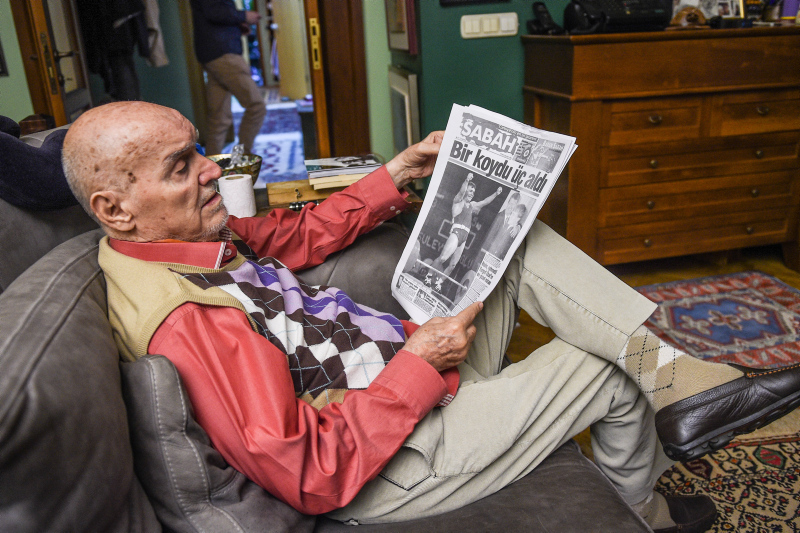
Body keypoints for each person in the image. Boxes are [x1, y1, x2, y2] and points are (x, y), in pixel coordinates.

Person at [62, 101, 800, 533]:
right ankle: (649, 512)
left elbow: (296, 234)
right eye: (180, 166)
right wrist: (418, 367)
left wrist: (395, 174)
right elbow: (310, 471)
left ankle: (684, 384)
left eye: (198, 150)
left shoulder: (184, 242)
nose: (211, 169)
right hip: (388, 457)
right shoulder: (191, 320)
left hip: (404, 370)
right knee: (600, 367)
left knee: (513, 237)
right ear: (114, 207)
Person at [189, 0, 266, 156]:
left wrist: (237, 26)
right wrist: (244, 15)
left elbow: (214, 13)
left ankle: (212, 166)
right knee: (256, 107)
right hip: (224, 53)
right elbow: (214, 12)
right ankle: (241, 159)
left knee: (219, 119)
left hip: (212, 54)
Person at [431, 173, 502, 277]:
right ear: (466, 191)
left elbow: (484, 202)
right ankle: (428, 276)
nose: (472, 193)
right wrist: (467, 180)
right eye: (470, 190)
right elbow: (461, 192)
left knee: (452, 265)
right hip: (456, 233)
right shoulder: (458, 201)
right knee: (442, 258)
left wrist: (496, 193)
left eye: (473, 192)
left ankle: (439, 282)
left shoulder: (472, 205)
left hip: (464, 238)